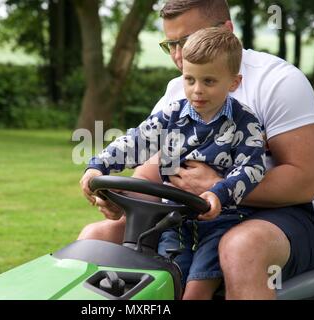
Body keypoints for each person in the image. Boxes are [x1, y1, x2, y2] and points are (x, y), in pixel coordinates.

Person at [78, 0, 314, 300]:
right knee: (96, 239)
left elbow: (304, 183)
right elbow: (151, 165)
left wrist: (216, 188)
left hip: (280, 215)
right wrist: (121, 199)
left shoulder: (278, 83)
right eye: (170, 44)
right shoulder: (177, 96)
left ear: (227, 31)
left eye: (188, 40)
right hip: (188, 216)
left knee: (240, 246)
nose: (179, 55)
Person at [81, 27, 266, 299]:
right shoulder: (172, 115)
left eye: (209, 81)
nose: (197, 90)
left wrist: (218, 193)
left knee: (195, 291)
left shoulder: (244, 122)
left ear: (233, 83)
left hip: (221, 222)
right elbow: (136, 141)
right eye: (189, 80)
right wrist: (98, 166)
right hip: (173, 220)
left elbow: (250, 170)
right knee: (165, 284)